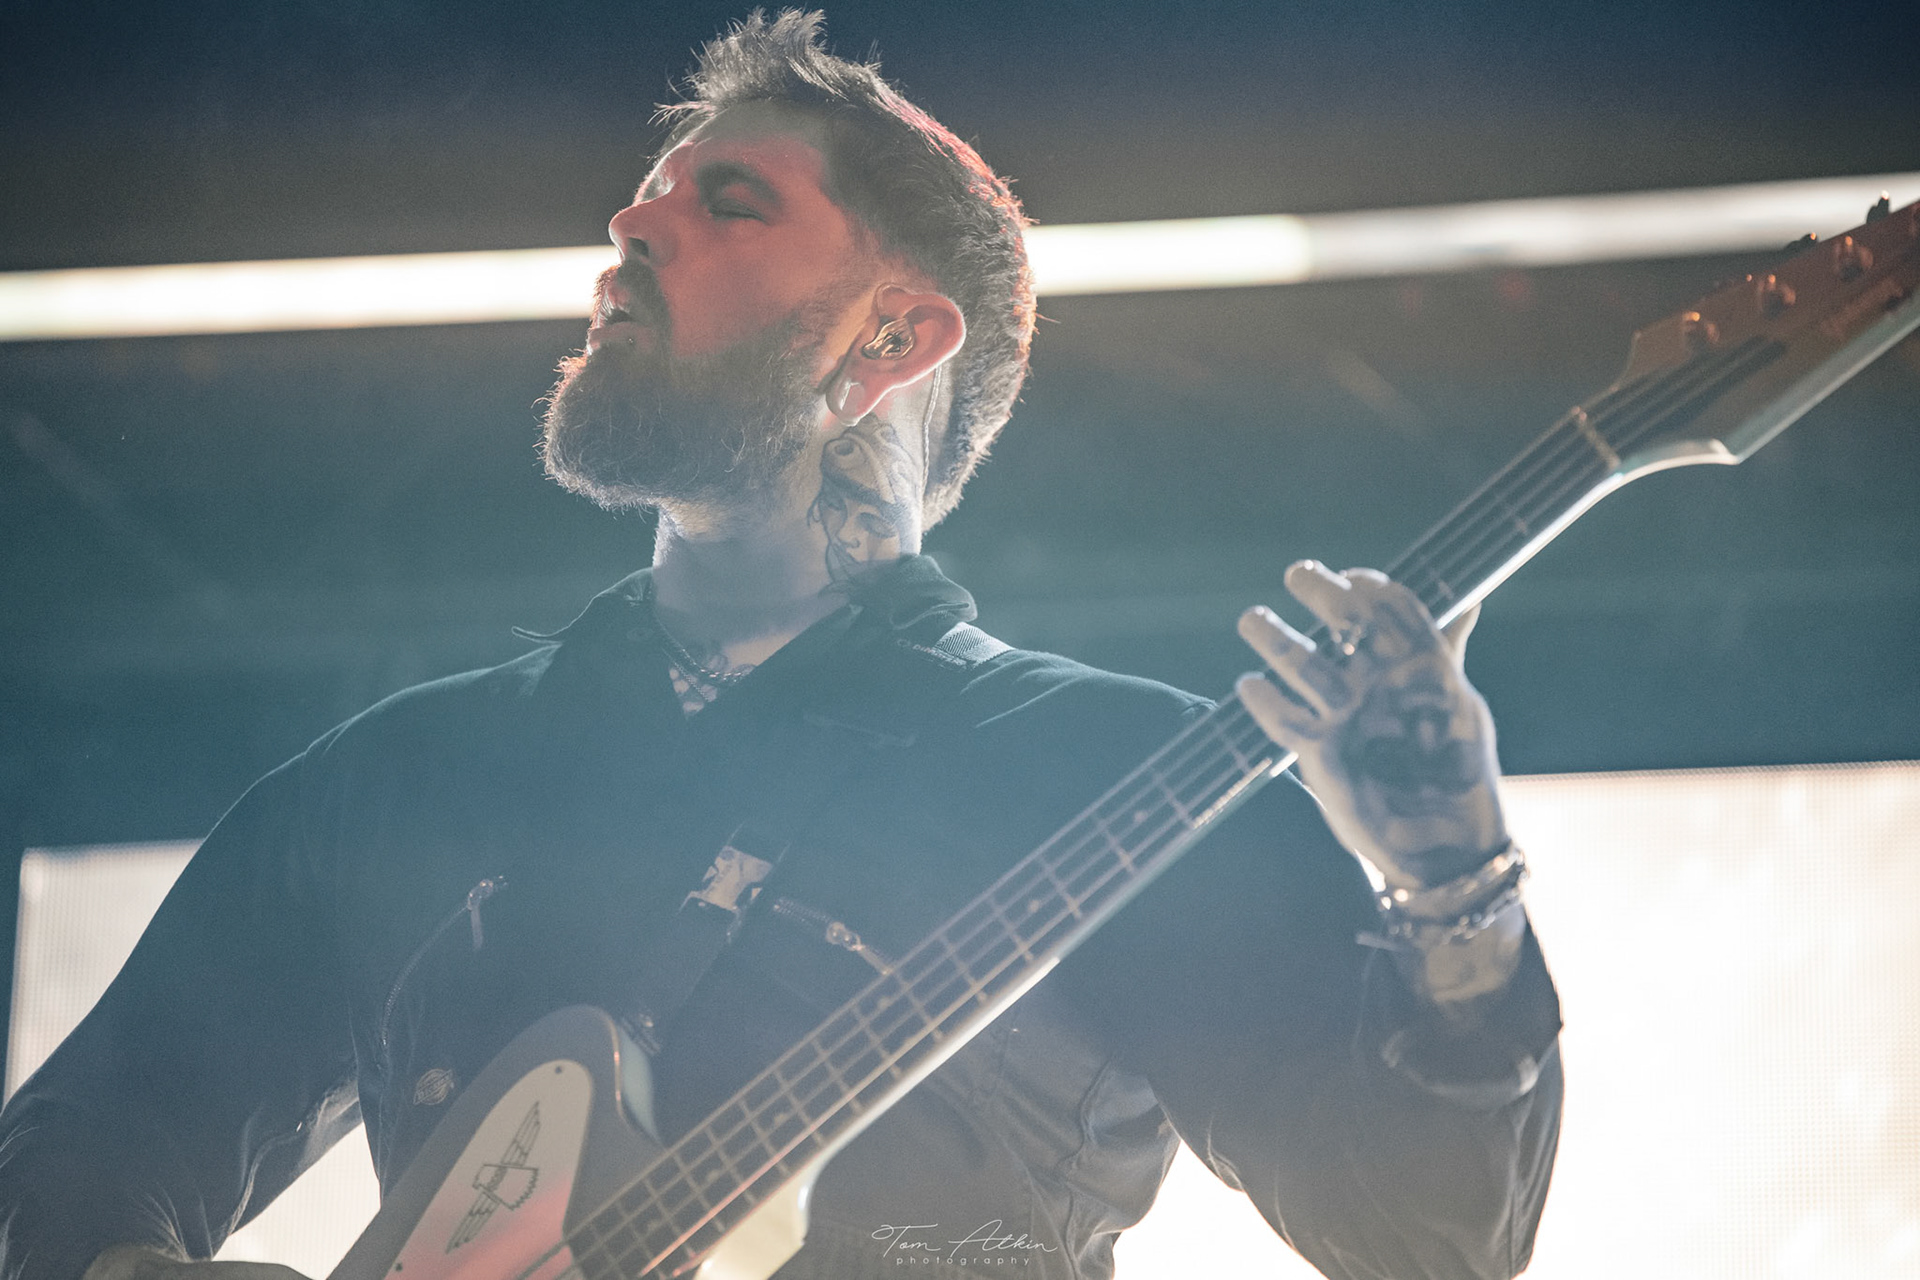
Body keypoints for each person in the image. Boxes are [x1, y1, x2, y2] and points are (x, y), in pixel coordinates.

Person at [0, 12, 1561, 1280]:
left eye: (727, 202)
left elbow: (1433, 1244)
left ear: (894, 336)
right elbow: (69, 1163)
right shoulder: (400, 780)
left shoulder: (1120, 773)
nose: (631, 222)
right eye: (646, 194)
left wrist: (1455, 881)